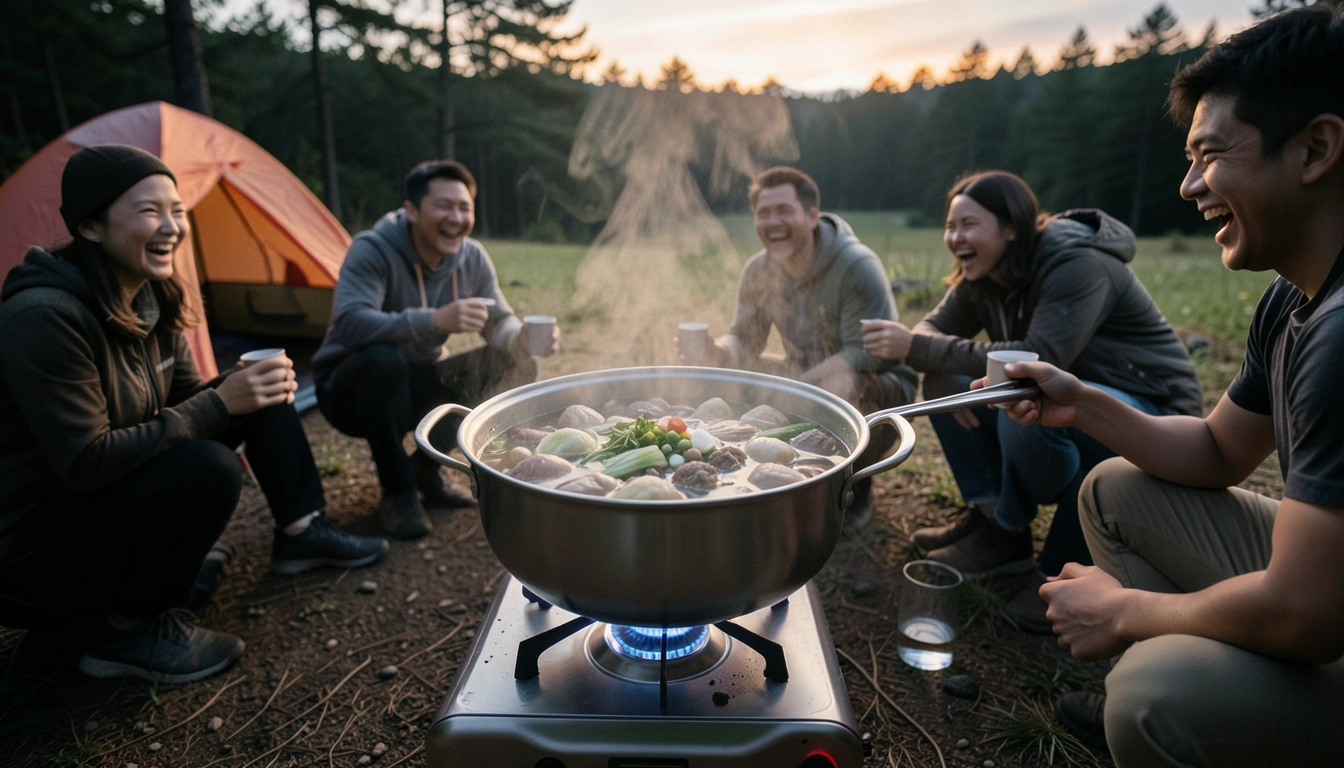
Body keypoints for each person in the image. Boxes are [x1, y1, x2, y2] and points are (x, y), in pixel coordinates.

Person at [994, 7, 1344, 765]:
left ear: (1316, 148)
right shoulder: (1293, 298)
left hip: (1324, 612)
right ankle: (1228, 705)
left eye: (1209, 155)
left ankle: (1186, 711)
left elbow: (1311, 616)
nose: (1189, 186)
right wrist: (1080, 401)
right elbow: (1218, 449)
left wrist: (1128, 612)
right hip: (1323, 591)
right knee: (1111, 490)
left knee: (1157, 694)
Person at [0, 145, 387, 683]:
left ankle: (302, 531)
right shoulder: (43, 317)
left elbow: (187, 401)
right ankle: (125, 631)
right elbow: (84, 462)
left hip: (93, 505)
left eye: (177, 211)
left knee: (256, 385)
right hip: (30, 554)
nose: (172, 227)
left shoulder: (149, 295)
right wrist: (219, 403)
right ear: (91, 226)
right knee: (207, 468)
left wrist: (239, 395)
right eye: (149, 211)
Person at [860, 171, 1201, 630]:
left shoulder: (1077, 264)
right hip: (1066, 395)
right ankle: (999, 530)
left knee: (1020, 403)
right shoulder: (983, 272)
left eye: (968, 224)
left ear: (1012, 227)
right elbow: (928, 333)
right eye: (950, 225)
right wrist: (932, 356)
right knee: (946, 379)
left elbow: (1041, 359)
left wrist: (920, 348)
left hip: (1153, 407)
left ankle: (1060, 569)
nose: (954, 237)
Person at [313, 160, 558, 539]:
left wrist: (520, 338)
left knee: (517, 362)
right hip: (350, 392)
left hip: (415, 384)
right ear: (411, 210)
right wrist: (434, 320)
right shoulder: (373, 249)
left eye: (465, 208)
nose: (456, 217)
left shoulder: (471, 256)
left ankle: (425, 468)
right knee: (384, 360)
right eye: (444, 206)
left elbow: (499, 320)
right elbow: (350, 324)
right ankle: (398, 492)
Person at [676, 166, 918, 533]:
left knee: (839, 383)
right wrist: (717, 352)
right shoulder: (758, 270)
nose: (773, 222)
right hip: (806, 373)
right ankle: (769, 470)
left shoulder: (855, 265)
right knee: (735, 372)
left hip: (881, 386)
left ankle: (854, 484)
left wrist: (800, 387)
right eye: (763, 212)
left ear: (812, 216)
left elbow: (869, 353)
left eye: (784, 210)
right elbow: (745, 339)